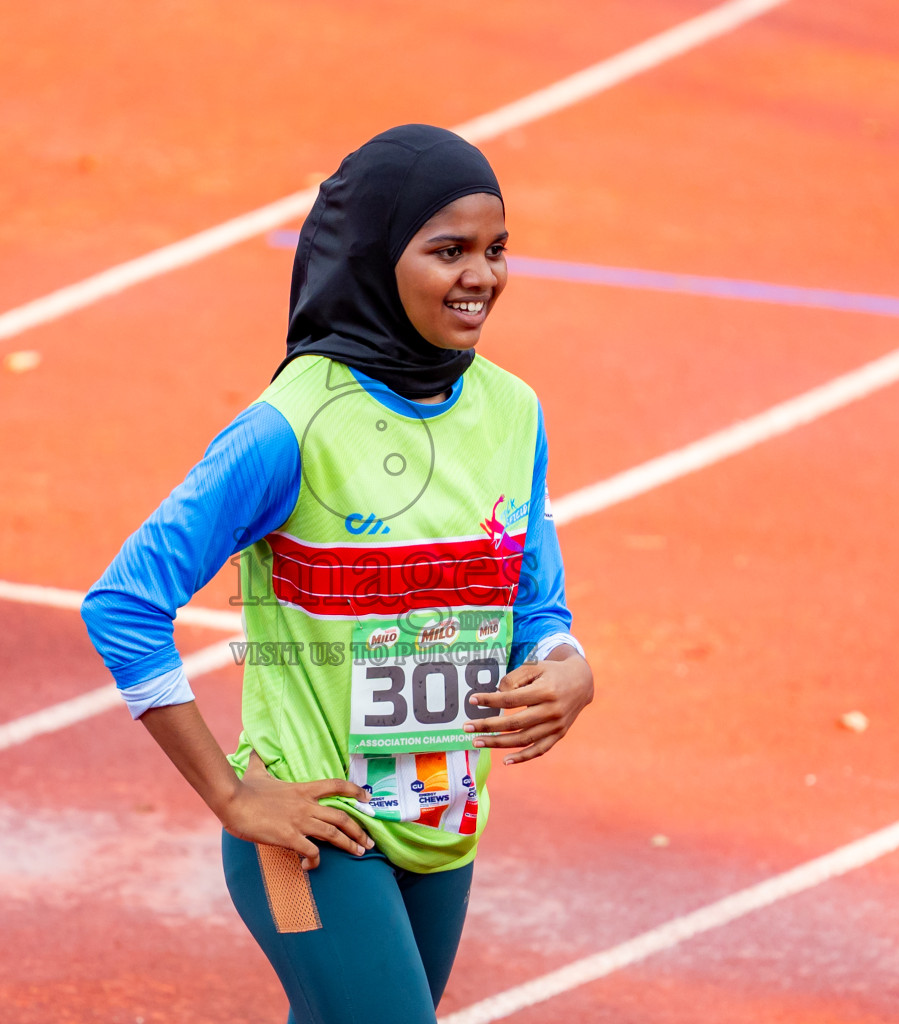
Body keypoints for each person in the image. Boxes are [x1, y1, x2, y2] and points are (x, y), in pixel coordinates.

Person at [82, 124, 595, 1024]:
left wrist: (567, 662)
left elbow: (534, 603)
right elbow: (124, 605)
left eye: (495, 249)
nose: (482, 276)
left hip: (443, 824)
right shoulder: (291, 426)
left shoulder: (515, 413)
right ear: (372, 258)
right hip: (307, 842)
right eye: (449, 251)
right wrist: (231, 794)